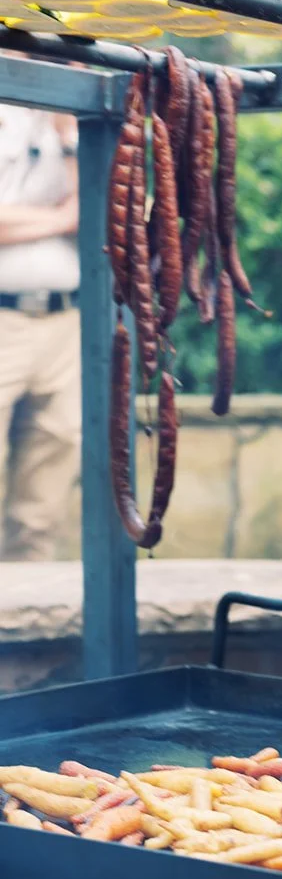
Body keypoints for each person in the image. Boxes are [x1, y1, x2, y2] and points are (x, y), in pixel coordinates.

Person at [0, 98, 81, 561]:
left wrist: (68, 132)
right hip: (3, 316)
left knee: (47, 479)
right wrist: (58, 219)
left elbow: (96, 208)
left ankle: (25, 617)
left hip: (63, 321)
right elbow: (72, 217)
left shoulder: (65, 120)